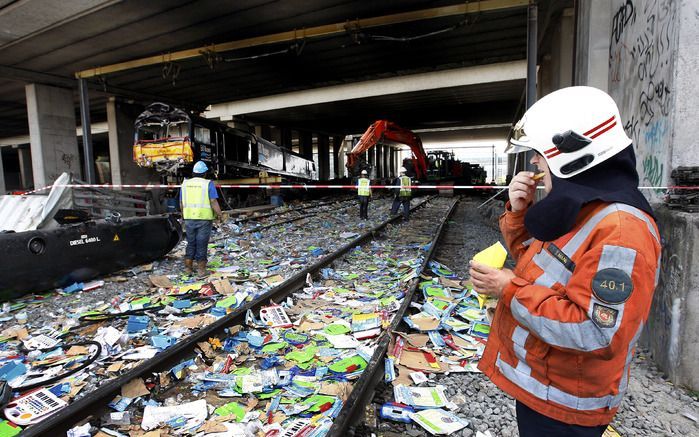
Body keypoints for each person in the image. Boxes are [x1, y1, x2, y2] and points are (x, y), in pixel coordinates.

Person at [468, 86, 661, 437]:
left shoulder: (621, 231)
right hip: (546, 387)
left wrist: (508, 288)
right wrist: (517, 213)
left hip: (567, 407)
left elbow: (596, 331)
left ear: (571, 153)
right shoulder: (586, 208)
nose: (536, 163)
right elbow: (537, 263)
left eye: (541, 154)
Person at [180, 161, 225, 276]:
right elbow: (213, 201)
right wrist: (219, 214)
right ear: (205, 173)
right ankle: (201, 270)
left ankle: (188, 269)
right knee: (201, 243)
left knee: (191, 243)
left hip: (189, 218)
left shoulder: (185, 184)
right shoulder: (208, 183)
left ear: (194, 173)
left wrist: (183, 214)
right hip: (204, 219)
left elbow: (181, 202)